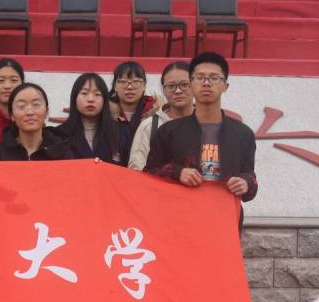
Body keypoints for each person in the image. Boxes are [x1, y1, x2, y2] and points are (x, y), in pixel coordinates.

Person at [144, 51, 258, 206]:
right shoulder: (168, 131)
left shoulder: (243, 134)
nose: (206, 83)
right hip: (180, 212)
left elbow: (250, 175)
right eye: (199, 77)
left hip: (225, 214)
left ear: (225, 86)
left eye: (214, 78)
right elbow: (149, 173)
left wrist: (246, 183)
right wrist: (178, 172)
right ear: (191, 84)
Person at [128, 61, 193, 171]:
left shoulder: (210, 123)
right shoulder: (149, 126)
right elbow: (136, 169)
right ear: (163, 89)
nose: (178, 91)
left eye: (184, 85)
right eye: (171, 86)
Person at [0, 82, 73, 161]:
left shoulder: (63, 152)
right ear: (12, 115)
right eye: (21, 106)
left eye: (36, 105)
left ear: (46, 112)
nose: (29, 112)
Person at [52, 73, 122, 164]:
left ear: (105, 100)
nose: (90, 99)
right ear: (74, 98)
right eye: (84, 93)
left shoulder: (121, 133)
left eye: (97, 94)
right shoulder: (58, 135)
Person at [109, 60, 157, 165]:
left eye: (136, 82)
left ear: (144, 85)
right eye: (123, 82)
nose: (130, 87)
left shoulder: (157, 116)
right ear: (115, 86)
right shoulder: (105, 115)